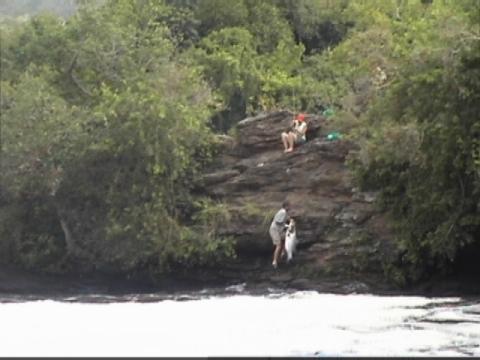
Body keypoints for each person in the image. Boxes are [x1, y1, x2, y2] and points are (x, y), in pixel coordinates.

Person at [269, 200, 291, 269]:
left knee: (286, 238)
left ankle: (283, 253)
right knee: (278, 245)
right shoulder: (283, 212)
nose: (290, 207)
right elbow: (278, 222)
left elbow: (286, 219)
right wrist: (287, 226)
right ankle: (274, 261)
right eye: (289, 206)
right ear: (286, 206)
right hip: (274, 230)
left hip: (279, 230)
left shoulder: (285, 213)